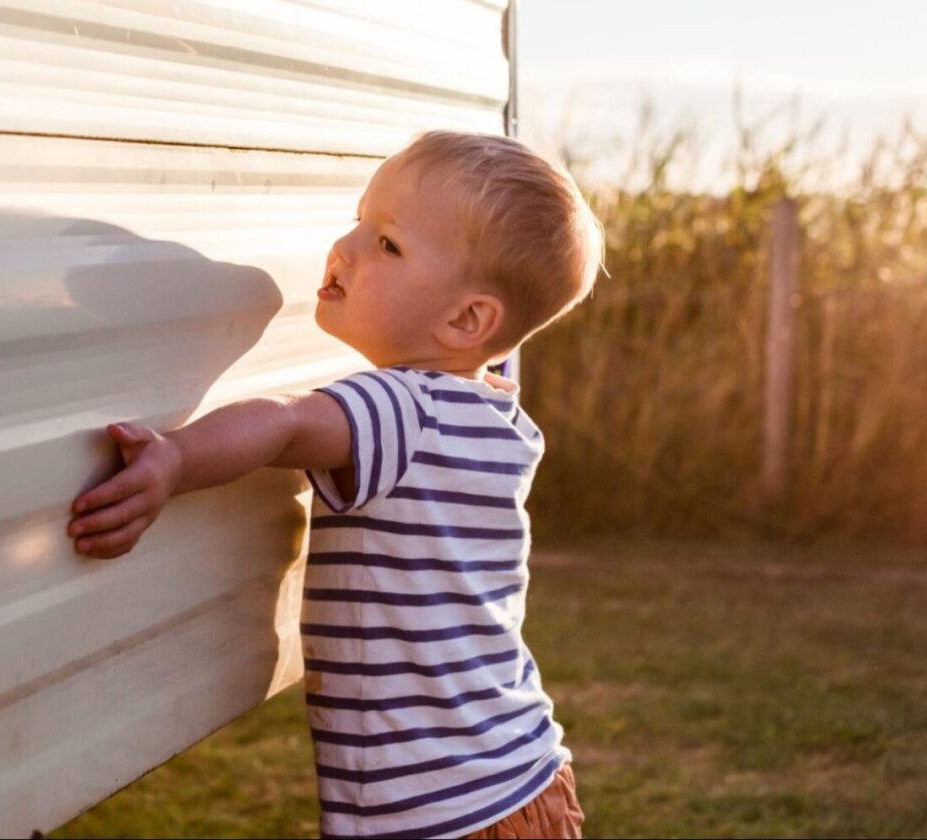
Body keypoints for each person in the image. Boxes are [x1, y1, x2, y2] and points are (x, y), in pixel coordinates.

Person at [67, 129, 603, 839]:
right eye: (358, 220)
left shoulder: (404, 404)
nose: (343, 248)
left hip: (441, 814)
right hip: (519, 779)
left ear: (466, 320)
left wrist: (175, 458)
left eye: (386, 244)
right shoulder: (494, 412)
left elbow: (285, 424)